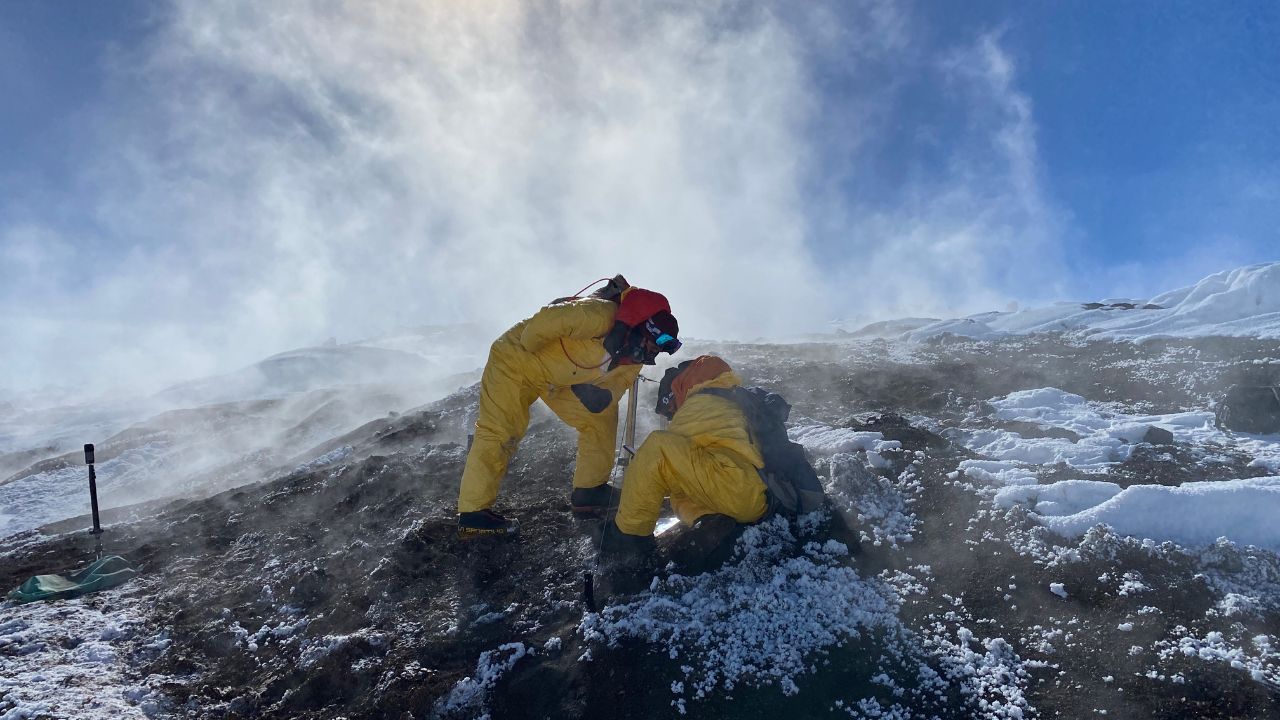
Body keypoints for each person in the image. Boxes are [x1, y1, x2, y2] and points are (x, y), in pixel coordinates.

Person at [457, 276, 682, 538]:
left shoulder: (635, 357)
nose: (656, 351)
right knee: (500, 431)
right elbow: (545, 322)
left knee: (601, 418)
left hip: (557, 380)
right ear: (646, 329)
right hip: (514, 361)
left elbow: (618, 385)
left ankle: (590, 491)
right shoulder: (600, 315)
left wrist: (602, 396)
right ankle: (473, 515)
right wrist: (531, 353)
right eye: (657, 342)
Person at [601, 355, 769, 554]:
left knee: (658, 447)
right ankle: (708, 520)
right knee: (684, 481)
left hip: (732, 487)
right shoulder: (729, 402)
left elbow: (660, 467)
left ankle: (628, 535)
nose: (672, 415)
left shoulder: (696, 407)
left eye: (670, 410)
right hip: (754, 496)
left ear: (676, 390)